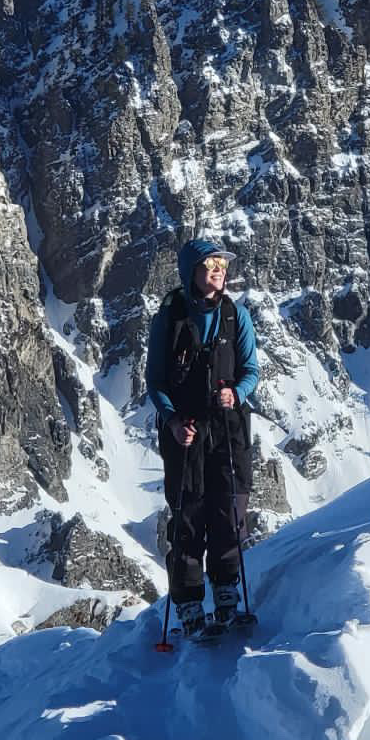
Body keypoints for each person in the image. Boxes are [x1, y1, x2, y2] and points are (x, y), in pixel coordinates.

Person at [146, 237, 258, 639]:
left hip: (228, 428)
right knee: (189, 517)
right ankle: (191, 604)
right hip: (186, 432)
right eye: (209, 265)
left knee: (228, 510)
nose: (218, 272)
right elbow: (154, 380)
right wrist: (174, 421)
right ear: (190, 271)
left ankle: (226, 594)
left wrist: (237, 393)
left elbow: (251, 371)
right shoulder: (170, 317)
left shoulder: (236, 315)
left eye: (222, 266)